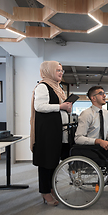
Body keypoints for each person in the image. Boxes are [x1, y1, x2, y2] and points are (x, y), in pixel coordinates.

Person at [30, 61, 73, 206]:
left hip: (56, 130)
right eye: (57, 70)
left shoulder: (57, 87)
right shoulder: (43, 86)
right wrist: (61, 106)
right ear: (48, 71)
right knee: (46, 162)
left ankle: (50, 188)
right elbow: (39, 106)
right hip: (47, 131)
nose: (61, 73)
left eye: (62, 70)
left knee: (53, 161)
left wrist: (66, 108)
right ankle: (45, 192)